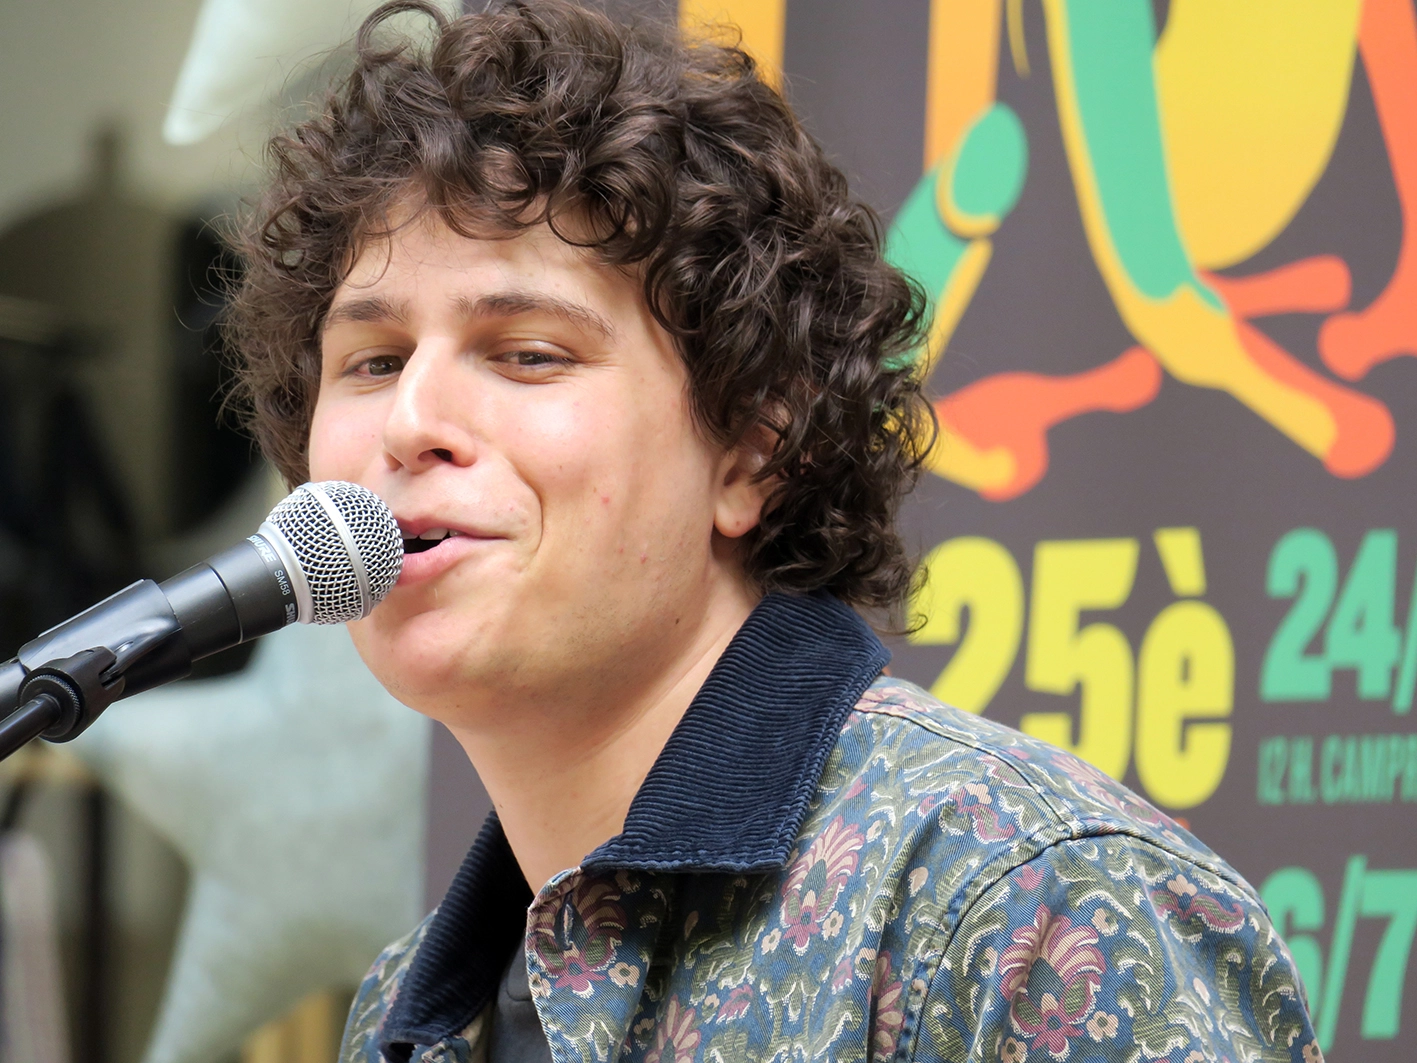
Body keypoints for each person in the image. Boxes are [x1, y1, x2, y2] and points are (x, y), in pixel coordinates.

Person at [226, 2, 1320, 1061]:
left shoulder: (1021, 899)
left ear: (752, 449)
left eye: (528, 354)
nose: (410, 421)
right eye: (372, 362)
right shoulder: (407, 1006)